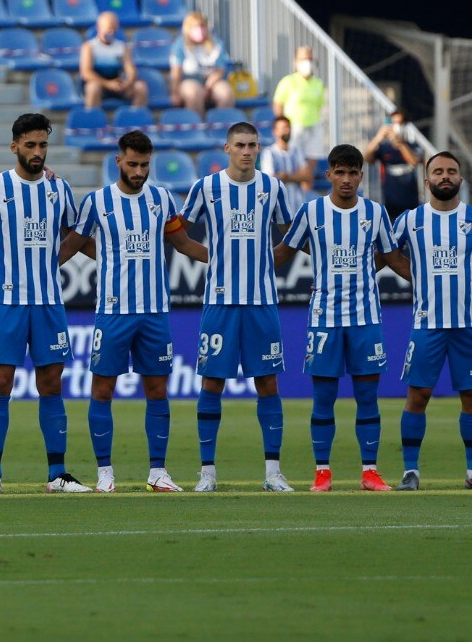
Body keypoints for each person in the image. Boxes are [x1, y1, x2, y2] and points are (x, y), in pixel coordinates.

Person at [57, 131, 207, 492]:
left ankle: (158, 472)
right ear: (118, 162)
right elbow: (72, 245)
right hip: (113, 312)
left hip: (155, 312)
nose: (139, 171)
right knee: (102, 390)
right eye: (133, 164)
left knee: (157, 389)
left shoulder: (162, 199)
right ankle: (105, 473)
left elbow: (182, 242)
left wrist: (223, 260)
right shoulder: (97, 202)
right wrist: (40, 271)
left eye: (144, 165)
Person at [0, 113, 86, 493]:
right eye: (30, 145)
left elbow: (76, 234)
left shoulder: (59, 189)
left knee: (51, 383)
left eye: (43, 145)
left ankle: (58, 474)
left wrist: (64, 259)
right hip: (6, 301)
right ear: (14, 147)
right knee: (2, 381)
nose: (37, 152)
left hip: (48, 302)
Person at [272, 144, 409, 494]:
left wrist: (430, 279)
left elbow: (392, 258)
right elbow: (284, 253)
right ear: (329, 174)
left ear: (361, 176)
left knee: (367, 396)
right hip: (324, 318)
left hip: (365, 317)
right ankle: (322, 472)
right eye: (340, 172)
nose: (346, 179)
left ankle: (370, 472)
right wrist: (244, 264)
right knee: (324, 397)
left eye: (353, 173)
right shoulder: (312, 212)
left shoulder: (376, 213)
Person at [177, 121, 298, 493]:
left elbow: (290, 238)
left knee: (267, 382)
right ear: (226, 149)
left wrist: (263, 264)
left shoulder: (273, 187)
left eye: (252, 145)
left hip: (262, 301)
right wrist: (213, 259)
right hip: (220, 302)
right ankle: (207, 473)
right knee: (212, 381)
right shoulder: (206, 188)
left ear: (258, 149)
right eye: (240, 145)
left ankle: (273, 473)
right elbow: (179, 236)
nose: (247, 151)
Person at [394, 151, 472, 492]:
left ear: (460, 179)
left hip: (469, 326)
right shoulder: (410, 221)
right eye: (438, 171)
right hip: (427, 324)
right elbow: (382, 257)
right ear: (426, 180)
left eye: (452, 171)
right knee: (418, 396)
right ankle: (410, 473)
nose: (445, 176)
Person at [169, 10, 233, 111]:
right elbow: (176, 71)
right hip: (188, 81)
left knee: (226, 93)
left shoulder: (216, 44)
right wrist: (175, 92)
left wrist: (208, 86)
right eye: (195, 27)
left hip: (211, 82)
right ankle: (198, 124)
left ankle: (222, 124)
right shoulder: (180, 45)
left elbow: (220, 70)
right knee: (194, 93)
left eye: (202, 26)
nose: (199, 29)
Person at [79, 12, 146, 109]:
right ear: (99, 27)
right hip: (100, 85)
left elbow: (130, 69)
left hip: (118, 85)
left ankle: (136, 119)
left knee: (140, 87)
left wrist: (128, 82)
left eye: (113, 29)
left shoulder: (122, 47)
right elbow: (86, 73)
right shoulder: (89, 47)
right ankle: (93, 120)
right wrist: (107, 84)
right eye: (108, 29)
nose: (110, 33)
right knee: (93, 88)